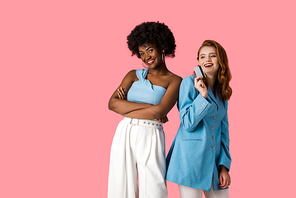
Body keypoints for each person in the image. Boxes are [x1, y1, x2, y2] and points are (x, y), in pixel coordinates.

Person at [108, 21, 182, 198]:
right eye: (141, 53)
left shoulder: (175, 81)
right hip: (125, 130)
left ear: (162, 47)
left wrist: (126, 106)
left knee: (154, 185)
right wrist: (151, 108)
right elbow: (112, 104)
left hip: (151, 133)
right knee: (121, 182)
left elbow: (160, 112)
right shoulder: (132, 75)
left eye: (150, 50)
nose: (146, 57)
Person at [166, 40, 232, 198]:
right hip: (191, 161)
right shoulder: (189, 83)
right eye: (202, 57)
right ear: (198, 62)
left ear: (220, 60)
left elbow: (223, 131)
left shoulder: (222, 91)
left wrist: (224, 166)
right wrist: (202, 96)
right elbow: (187, 123)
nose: (207, 60)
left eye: (212, 56)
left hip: (214, 162)